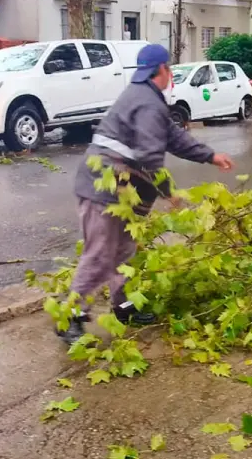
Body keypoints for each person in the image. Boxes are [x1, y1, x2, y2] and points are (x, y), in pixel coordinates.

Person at [60, 44, 235, 343]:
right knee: (100, 254)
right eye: (170, 70)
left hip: (122, 190)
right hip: (103, 188)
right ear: (163, 70)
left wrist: (210, 155)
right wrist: (168, 192)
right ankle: (69, 318)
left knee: (124, 250)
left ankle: (123, 306)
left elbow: (174, 137)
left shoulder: (146, 98)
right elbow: (150, 157)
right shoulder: (147, 103)